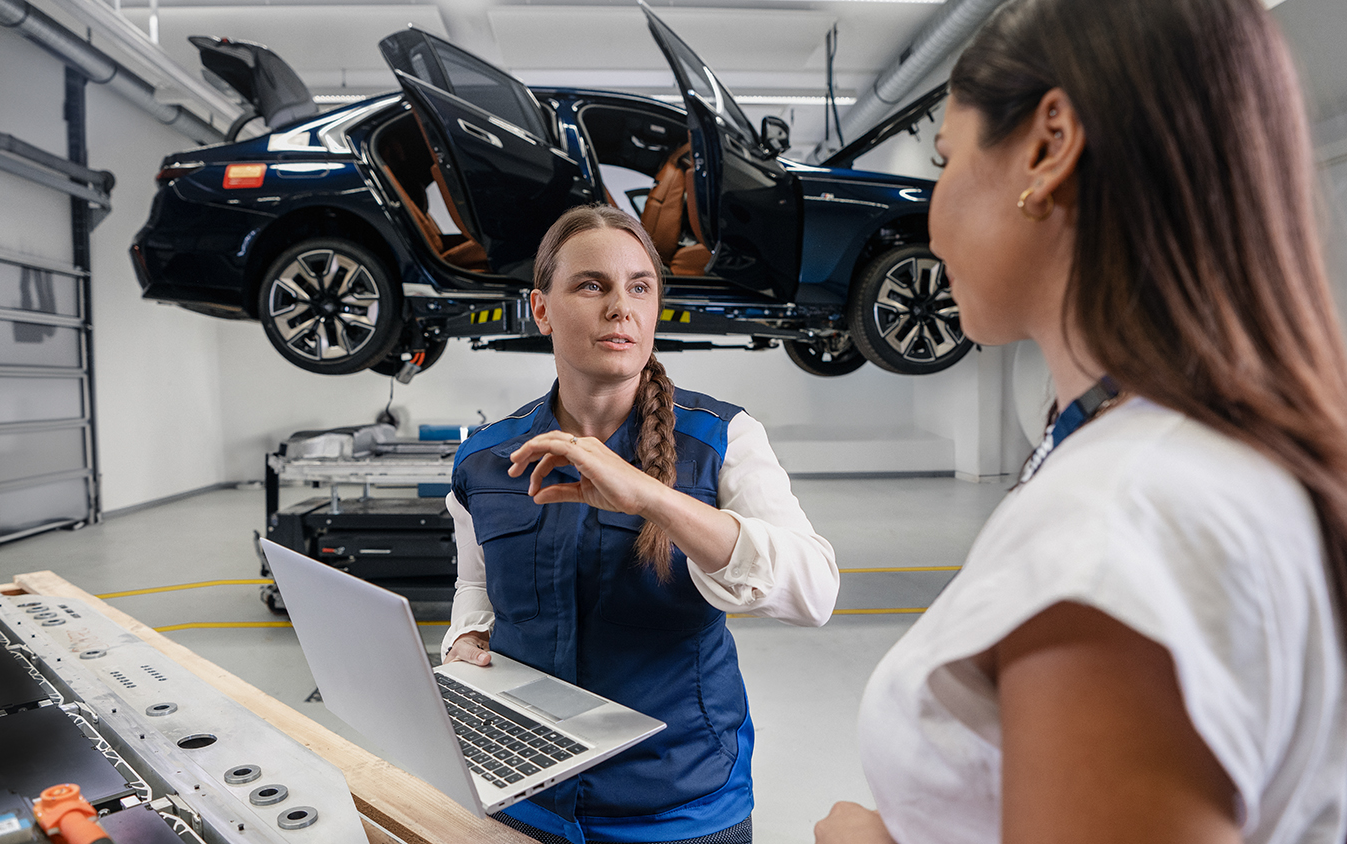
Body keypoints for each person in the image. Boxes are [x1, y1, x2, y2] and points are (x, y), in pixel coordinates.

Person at [814, 0, 1347, 842]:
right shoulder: (1190, 453)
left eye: (945, 160)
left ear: (1049, 144)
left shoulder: (1124, 522)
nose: (931, 215)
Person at [443, 204, 839, 844]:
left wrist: (655, 499)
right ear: (542, 309)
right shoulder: (486, 460)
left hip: (677, 810)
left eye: (640, 287)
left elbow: (814, 593)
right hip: (522, 800)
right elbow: (477, 586)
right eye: (591, 285)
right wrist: (466, 638)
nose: (619, 307)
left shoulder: (722, 440)